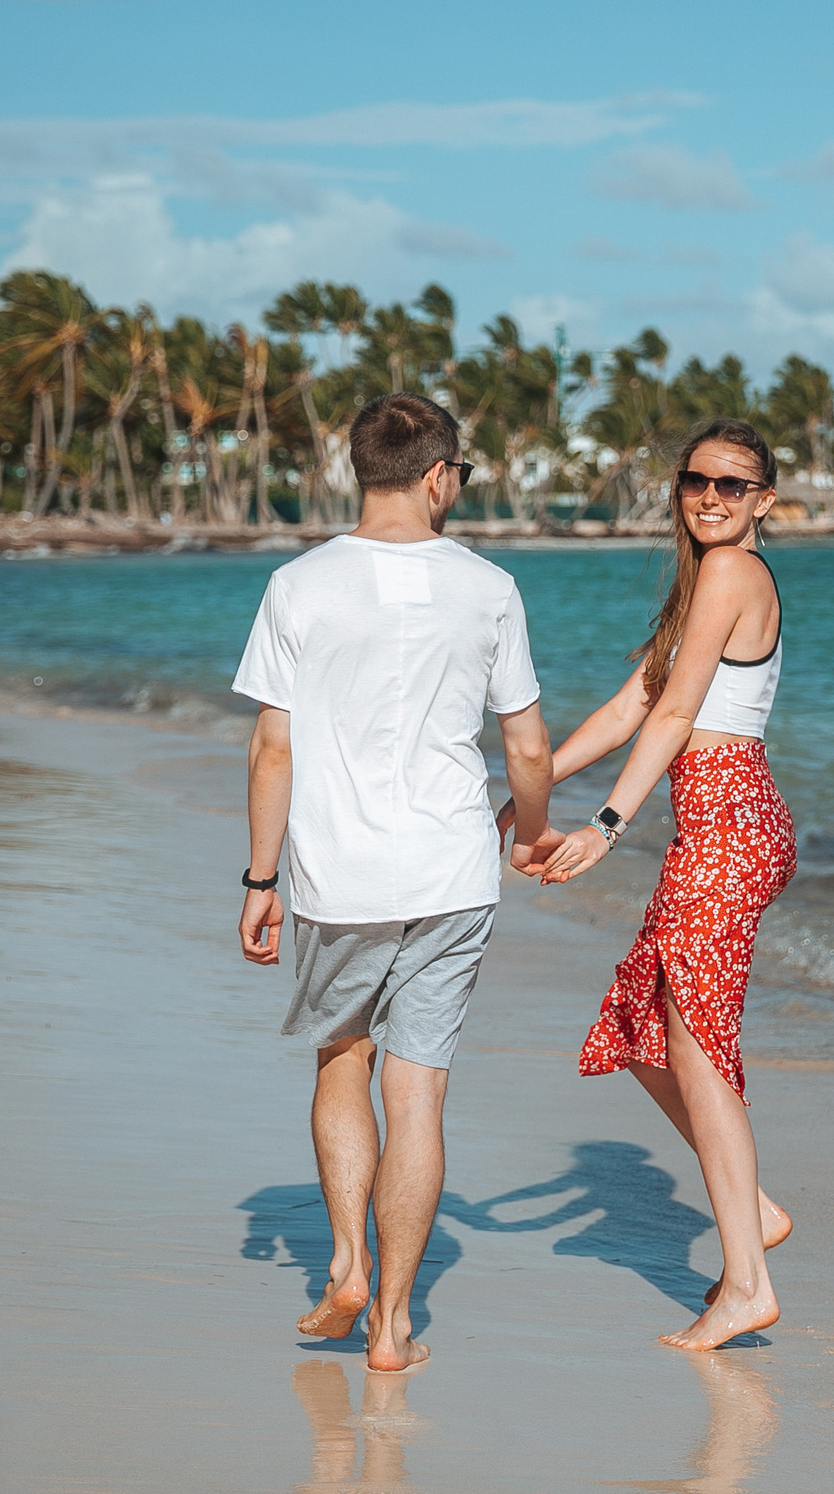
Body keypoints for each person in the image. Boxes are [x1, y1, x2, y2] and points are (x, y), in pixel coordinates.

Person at [233, 392, 562, 1374]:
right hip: (454, 871)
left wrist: (260, 878)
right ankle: (391, 1328)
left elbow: (271, 748)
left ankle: (343, 1264)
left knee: (344, 1062)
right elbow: (529, 746)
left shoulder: (298, 585)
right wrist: (533, 836)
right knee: (418, 1094)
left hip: (339, 877)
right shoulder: (491, 587)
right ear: (437, 476)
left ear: (358, 470)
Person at [520, 417, 797, 1351]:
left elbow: (680, 712)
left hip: (728, 825)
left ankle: (747, 1283)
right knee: (641, 1027)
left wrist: (606, 823)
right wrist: (535, 781)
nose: (710, 497)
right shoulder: (702, 582)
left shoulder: (733, 572)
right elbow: (639, 697)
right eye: (695, 482)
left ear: (764, 500)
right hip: (718, 826)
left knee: (699, 1045)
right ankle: (749, 1203)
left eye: (732, 484)